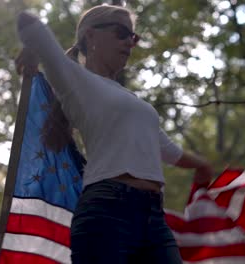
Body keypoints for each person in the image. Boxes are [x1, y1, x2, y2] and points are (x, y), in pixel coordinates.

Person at [16, 4, 213, 263]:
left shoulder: (134, 102)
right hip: (107, 213)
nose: (130, 43)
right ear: (90, 36)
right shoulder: (76, 80)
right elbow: (27, 20)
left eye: (134, 37)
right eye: (121, 33)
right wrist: (32, 48)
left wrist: (202, 166)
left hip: (154, 218)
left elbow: (168, 151)